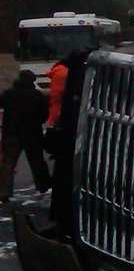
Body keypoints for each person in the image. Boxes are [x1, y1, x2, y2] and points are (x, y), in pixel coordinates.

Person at [48, 49, 91, 227]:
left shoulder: (64, 73)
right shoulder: (78, 77)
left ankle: (61, 216)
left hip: (62, 129)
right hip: (71, 133)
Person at [0, 70, 53, 204]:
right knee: (37, 162)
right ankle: (43, 188)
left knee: (8, 163)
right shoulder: (37, 95)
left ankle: (3, 192)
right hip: (32, 134)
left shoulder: (9, 94)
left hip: (11, 133)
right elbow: (44, 114)